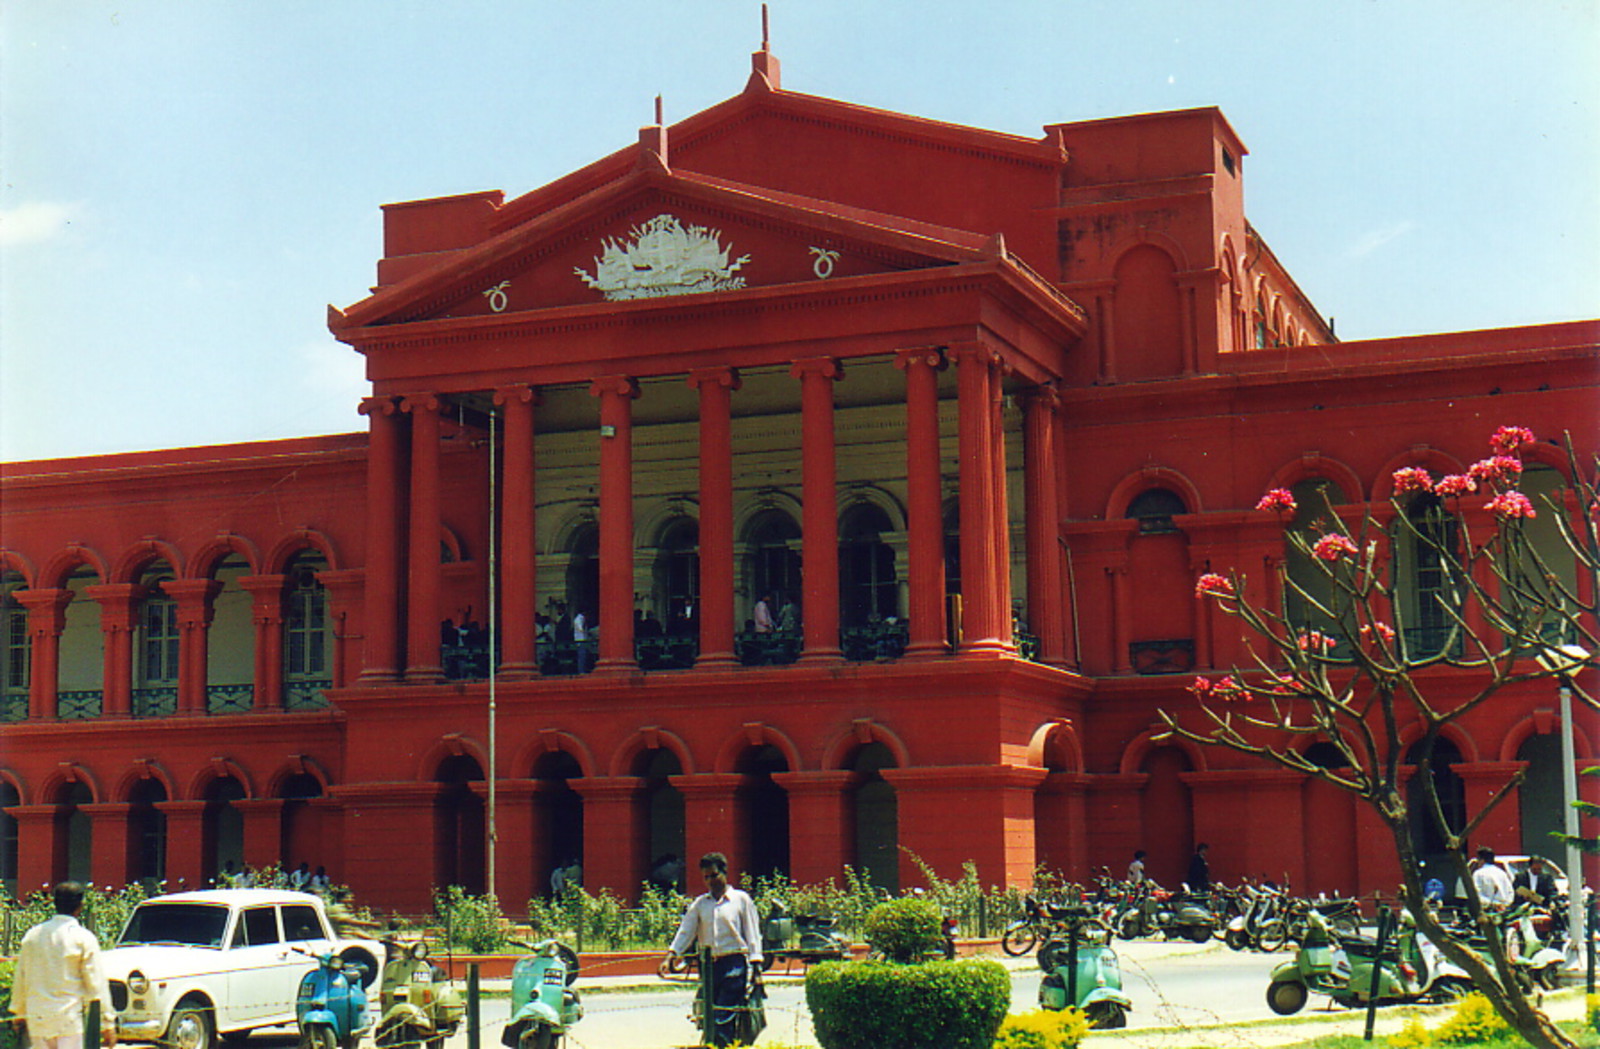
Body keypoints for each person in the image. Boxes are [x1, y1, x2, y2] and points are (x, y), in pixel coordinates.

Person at [667, 852, 763, 1047]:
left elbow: (753, 935)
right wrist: (671, 955)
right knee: (708, 1015)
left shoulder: (740, 900)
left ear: (724, 873)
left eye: (714, 875)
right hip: (709, 967)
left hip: (734, 964)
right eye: (706, 877)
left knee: (723, 1014)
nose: (710, 881)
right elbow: (686, 931)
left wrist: (756, 967)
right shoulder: (700, 904)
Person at [11, 881, 117, 1049]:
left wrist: (19, 1012)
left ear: (55, 904)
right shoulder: (83, 938)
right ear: (81, 905)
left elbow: (21, 977)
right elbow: (96, 985)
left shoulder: (33, 936)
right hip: (69, 1021)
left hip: (38, 1019)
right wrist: (107, 1023)